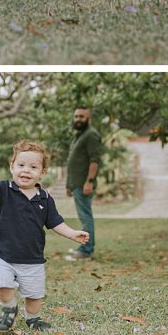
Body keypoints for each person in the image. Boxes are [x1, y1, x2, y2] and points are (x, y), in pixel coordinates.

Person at [0, 140, 89, 335]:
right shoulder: (5, 190)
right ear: (12, 167)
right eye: (21, 165)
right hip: (4, 255)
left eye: (33, 167)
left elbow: (55, 223)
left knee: (34, 296)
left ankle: (33, 318)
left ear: (42, 172)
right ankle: (9, 308)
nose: (26, 170)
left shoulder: (45, 198)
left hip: (32, 259)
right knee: (1, 283)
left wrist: (73, 233)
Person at [64, 106, 102, 261]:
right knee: (83, 217)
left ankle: (86, 250)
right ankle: (85, 247)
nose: (78, 119)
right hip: (76, 184)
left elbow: (94, 160)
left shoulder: (91, 135)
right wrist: (68, 184)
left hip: (84, 184)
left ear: (89, 118)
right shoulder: (79, 135)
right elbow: (73, 162)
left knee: (85, 217)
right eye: (76, 116)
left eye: (82, 116)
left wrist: (89, 181)